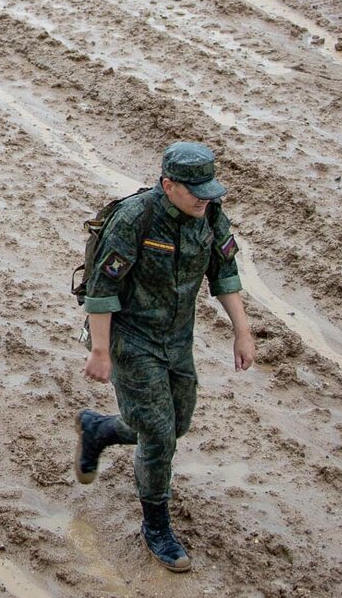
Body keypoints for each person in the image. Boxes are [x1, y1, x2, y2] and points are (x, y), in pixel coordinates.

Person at [74, 142, 255, 572]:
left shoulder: (209, 214)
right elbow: (102, 288)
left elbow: (225, 273)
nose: (205, 199)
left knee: (178, 422)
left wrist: (242, 332)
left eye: (209, 191)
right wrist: (100, 351)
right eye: (196, 191)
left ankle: (98, 429)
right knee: (158, 433)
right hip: (129, 338)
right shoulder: (135, 218)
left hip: (176, 338)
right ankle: (157, 526)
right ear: (168, 185)